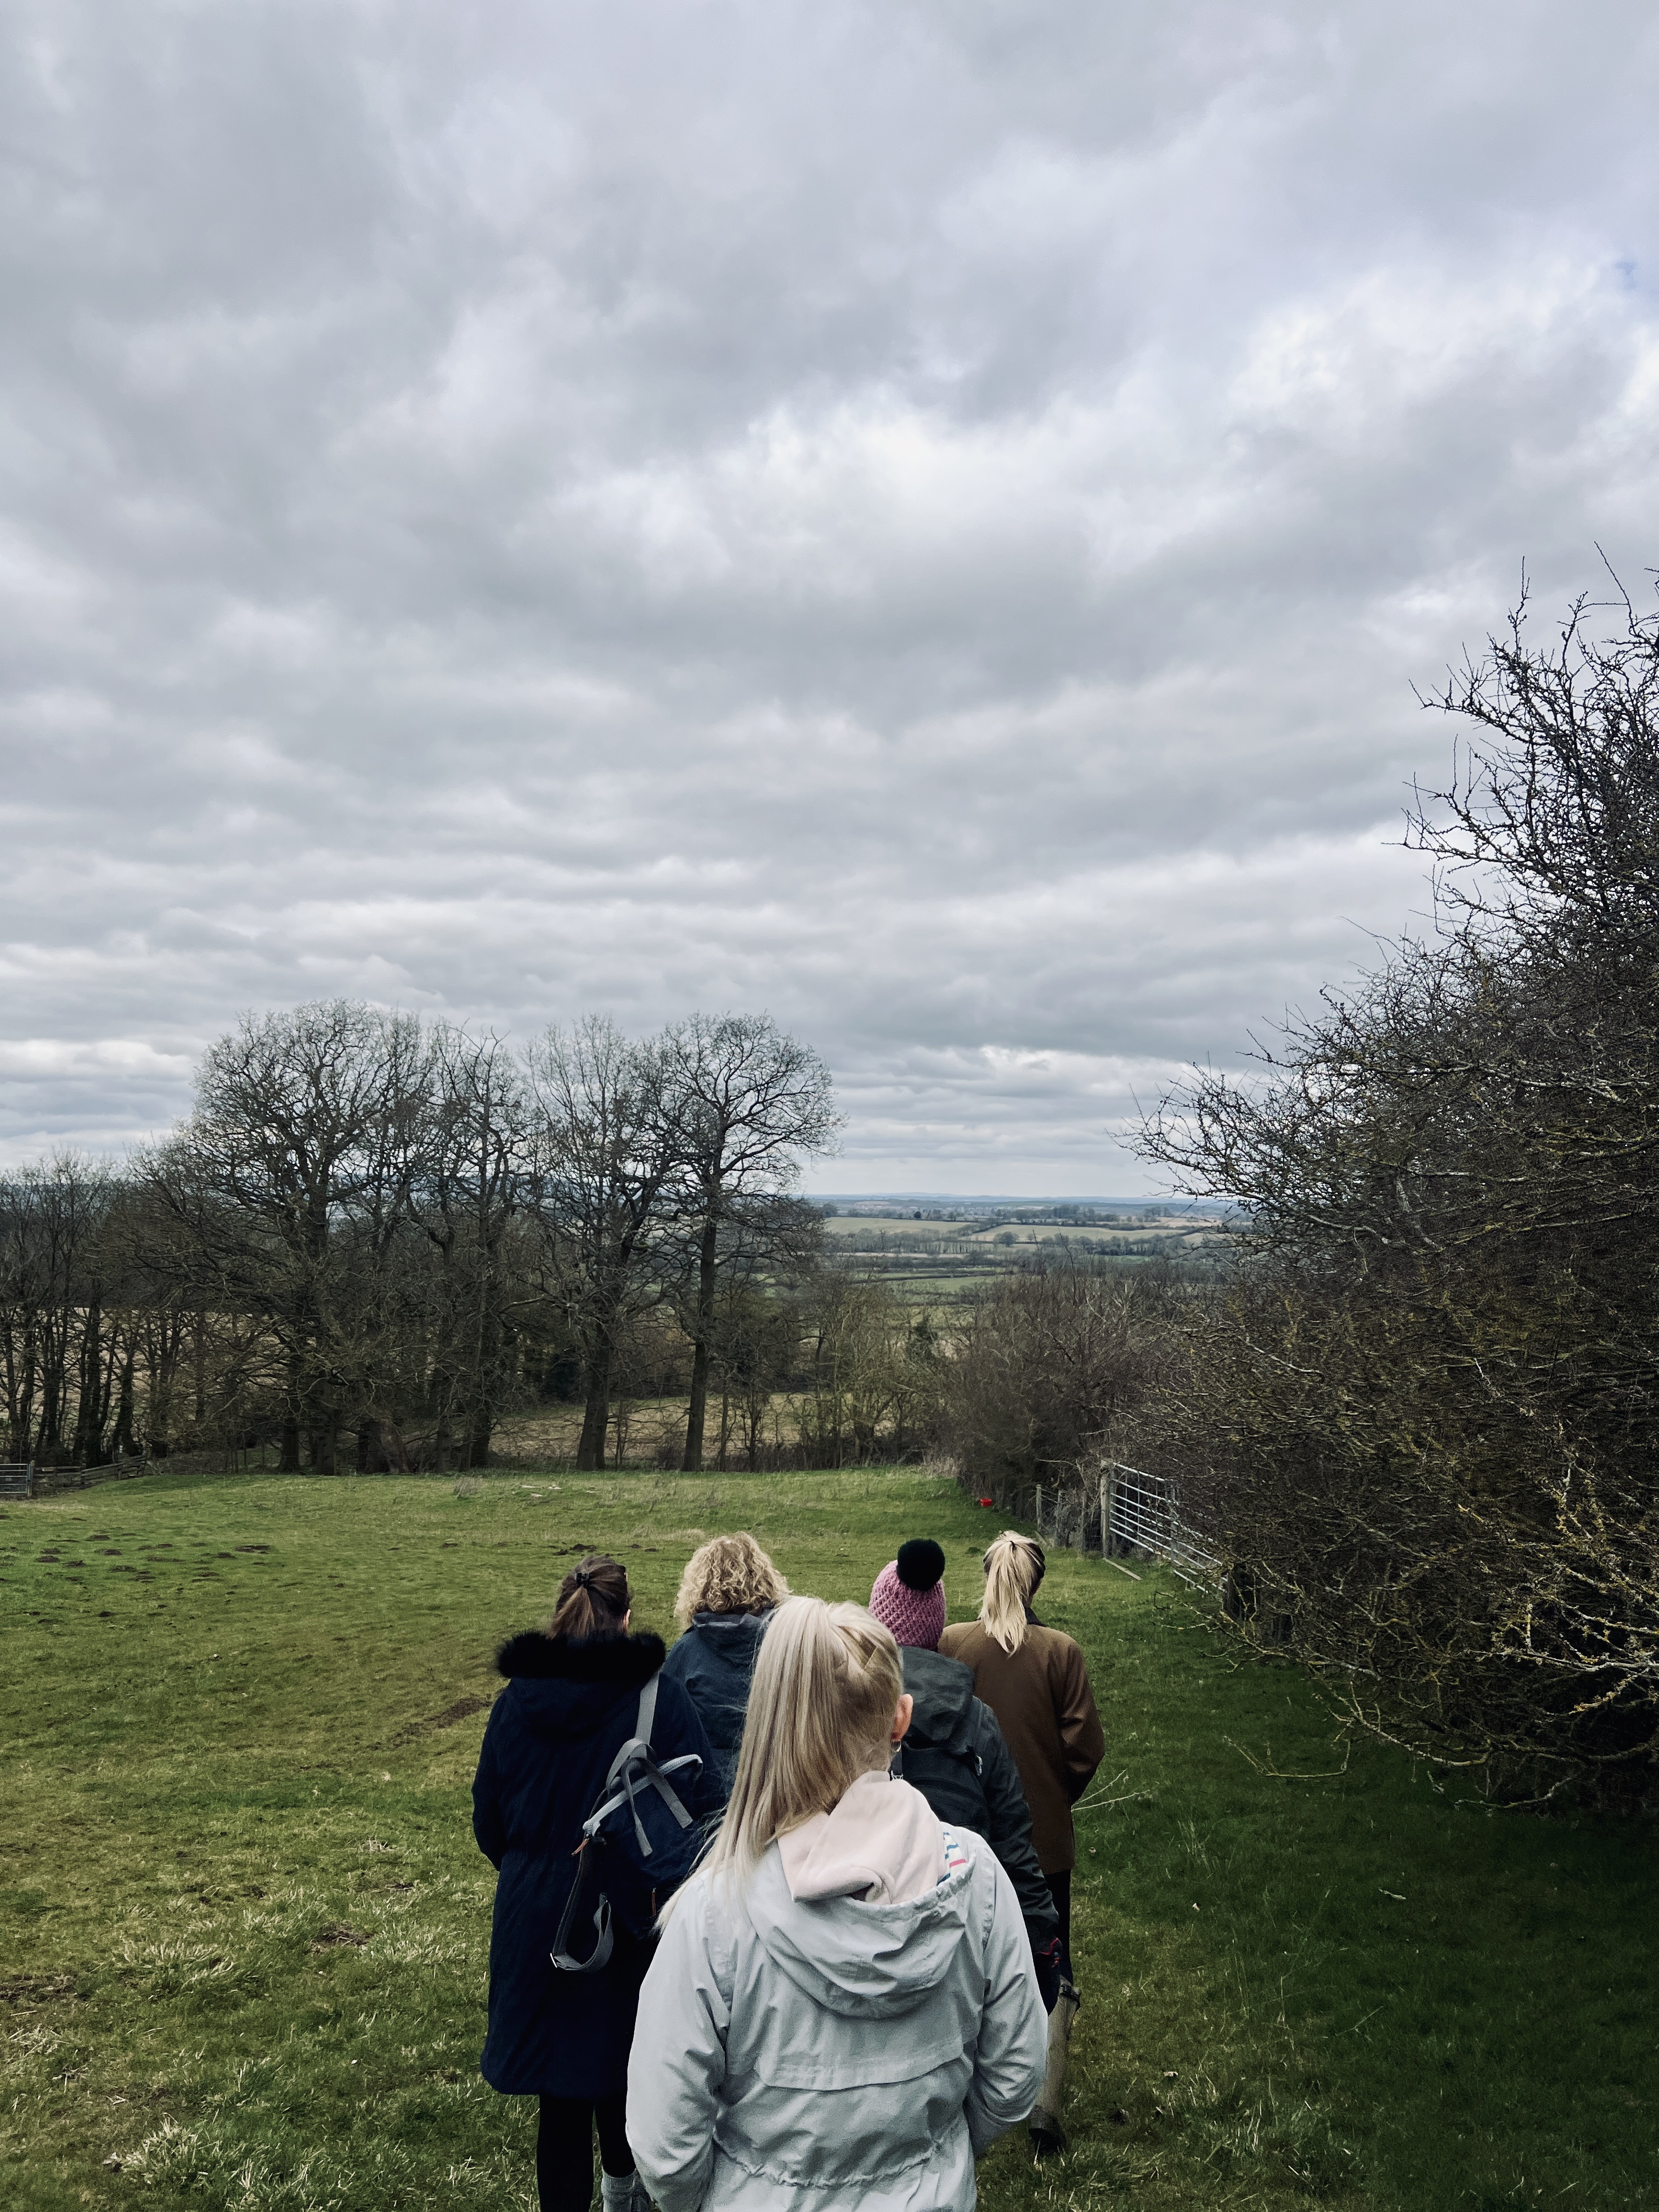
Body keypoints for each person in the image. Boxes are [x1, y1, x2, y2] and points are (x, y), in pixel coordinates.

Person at [626, 1595, 1048, 2212]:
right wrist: (936, 2156)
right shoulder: (978, 1878)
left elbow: (665, 2144)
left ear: (767, 1721)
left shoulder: (715, 1911)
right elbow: (1016, 2074)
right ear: (900, 1720)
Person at [472, 1553, 721, 2212]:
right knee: (625, 2065)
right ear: (627, 1619)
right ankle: (622, 2194)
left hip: (536, 1917)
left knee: (559, 2096)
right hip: (630, 1909)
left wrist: (538, 1873)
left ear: (560, 1619)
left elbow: (489, 1821)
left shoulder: (515, 1703)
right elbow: (706, 1805)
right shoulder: (659, 1700)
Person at [939, 1531, 1104, 2157]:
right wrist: (1056, 1800)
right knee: (1052, 1957)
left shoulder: (953, 1645)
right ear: (1037, 1584)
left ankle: (966, 2090)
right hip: (1043, 1840)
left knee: (967, 1957)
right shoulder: (1062, 1652)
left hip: (969, 1837)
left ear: (985, 1576)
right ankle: (1045, 2105)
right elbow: (1084, 1749)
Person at [867, 1539, 1062, 2009]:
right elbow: (1013, 1841)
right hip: (962, 1933)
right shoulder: (977, 1720)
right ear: (937, 1627)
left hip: (865, 1940)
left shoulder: (845, 1713)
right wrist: (1042, 1941)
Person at [659, 1532, 789, 1790]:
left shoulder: (686, 1652)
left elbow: (663, 1729)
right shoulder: (786, 1644)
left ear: (701, 1585)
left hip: (709, 1792)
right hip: (778, 1786)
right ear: (764, 1580)